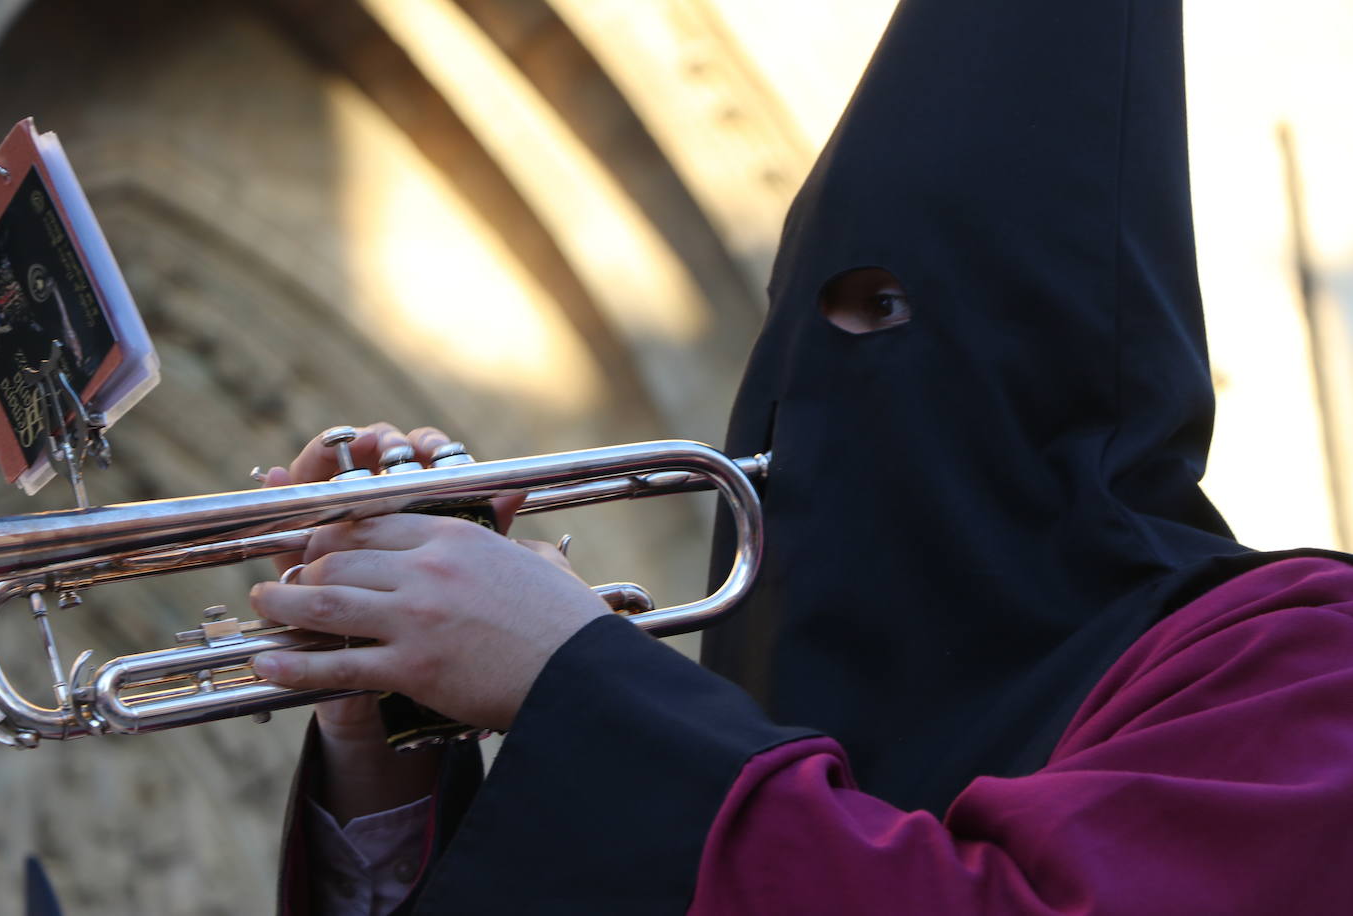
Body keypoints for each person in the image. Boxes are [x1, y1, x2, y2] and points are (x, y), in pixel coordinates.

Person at [256, 0, 1353, 912]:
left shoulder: (1299, 657)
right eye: (799, 321)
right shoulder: (759, 720)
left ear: (1079, 358)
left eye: (890, 308)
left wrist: (572, 680)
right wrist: (391, 723)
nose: (818, 375)